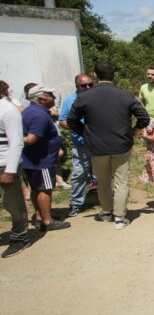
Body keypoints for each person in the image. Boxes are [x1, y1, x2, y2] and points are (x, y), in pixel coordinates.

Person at [67, 61, 150, 230]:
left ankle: (106, 212)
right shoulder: (125, 95)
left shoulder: (84, 96)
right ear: (114, 75)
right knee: (121, 181)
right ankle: (120, 218)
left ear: (96, 76)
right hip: (121, 144)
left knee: (103, 181)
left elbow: (71, 121)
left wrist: (85, 132)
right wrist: (134, 130)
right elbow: (144, 117)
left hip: (96, 147)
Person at [21, 85, 70, 232]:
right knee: (45, 189)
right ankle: (47, 220)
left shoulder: (30, 111)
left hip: (33, 159)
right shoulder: (40, 116)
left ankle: (39, 216)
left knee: (37, 188)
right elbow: (31, 139)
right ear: (41, 99)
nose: (54, 98)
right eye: (50, 95)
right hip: (42, 159)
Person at [58, 74, 96, 217]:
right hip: (80, 144)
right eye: (83, 85)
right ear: (77, 86)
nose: (87, 88)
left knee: (104, 173)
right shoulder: (69, 101)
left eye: (90, 85)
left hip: (100, 143)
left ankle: (109, 200)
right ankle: (76, 203)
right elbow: (62, 121)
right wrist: (78, 127)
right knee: (79, 173)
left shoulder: (98, 98)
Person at [0, 80, 30, 258]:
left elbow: (17, 142)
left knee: (13, 203)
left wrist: (10, 171)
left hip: (5, 163)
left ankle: (20, 237)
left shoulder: (8, 110)